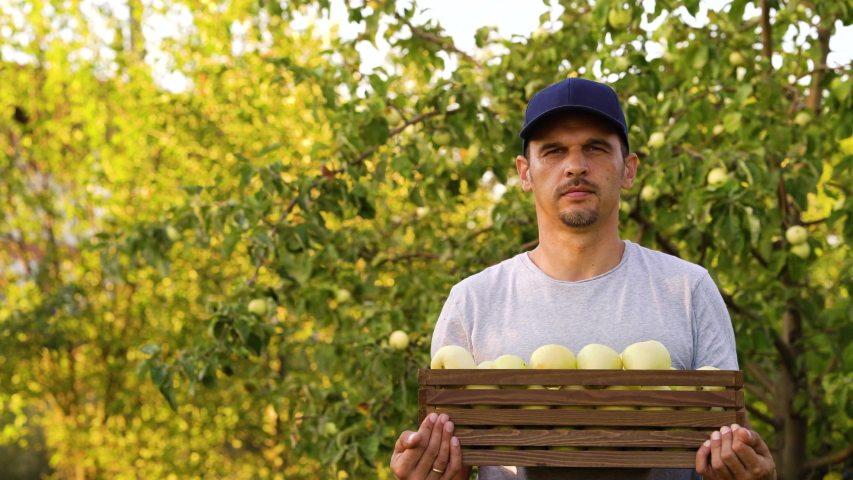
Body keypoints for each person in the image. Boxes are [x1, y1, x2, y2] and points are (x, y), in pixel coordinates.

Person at [389, 78, 777, 480]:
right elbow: (453, 458)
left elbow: (724, 444)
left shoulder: (687, 289)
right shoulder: (473, 301)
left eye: (595, 147)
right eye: (554, 151)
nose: (575, 165)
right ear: (525, 173)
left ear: (628, 170)